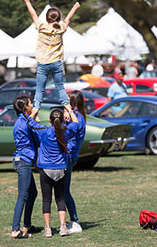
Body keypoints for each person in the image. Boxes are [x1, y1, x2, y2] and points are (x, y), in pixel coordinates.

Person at [23, 0, 80, 115]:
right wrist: (75, 7)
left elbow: (33, 14)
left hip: (43, 62)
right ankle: (67, 107)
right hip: (56, 62)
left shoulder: (42, 27)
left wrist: (27, 1)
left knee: (40, 89)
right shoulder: (61, 28)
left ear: (46, 18)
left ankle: (36, 109)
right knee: (60, 87)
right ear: (59, 19)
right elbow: (68, 18)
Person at [29, 107, 79, 237]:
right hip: (60, 169)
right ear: (62, 120)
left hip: (45, 170)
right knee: (60, 198)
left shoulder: (44, 131)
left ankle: (48, 229)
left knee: (46, 200)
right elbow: (77, 124)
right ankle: (63, 227)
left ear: (50, 121)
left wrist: (35, 111)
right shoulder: (66, 131)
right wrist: (70, 111)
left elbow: (30, 122)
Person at [10, 96, 42, 239]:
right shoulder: (24, 123)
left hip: (24, 161)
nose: (32, 105)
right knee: (23, 195)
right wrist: (35, 119)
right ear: (25, 108)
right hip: (23, 161)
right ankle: (15, 230)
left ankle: (27, 226)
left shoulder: (23, 120)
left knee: (32, 193)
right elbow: (39, 135)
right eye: (30, 104)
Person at [64, 90, 86, 234]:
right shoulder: (79, 115)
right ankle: (72, 219)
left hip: (69, 155)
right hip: (72, 155)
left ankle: (74, 220)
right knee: (63, 190)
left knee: (64, 191)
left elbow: (67, 136)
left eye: (67, 100)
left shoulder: (76, 118)